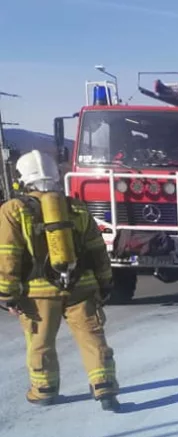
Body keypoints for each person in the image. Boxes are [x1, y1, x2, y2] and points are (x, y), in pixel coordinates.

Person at [0, 150, 120, 411]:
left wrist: (7, 294)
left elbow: (8, 254)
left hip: (38, 294)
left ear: (21, 180)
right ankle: (105, 387)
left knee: (40, 342)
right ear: (55, 177)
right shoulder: (76, 207)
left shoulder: (13, 210)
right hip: (82, 287)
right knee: (92, 337)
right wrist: (105, 282)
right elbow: (97, 249)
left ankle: (43, 390)